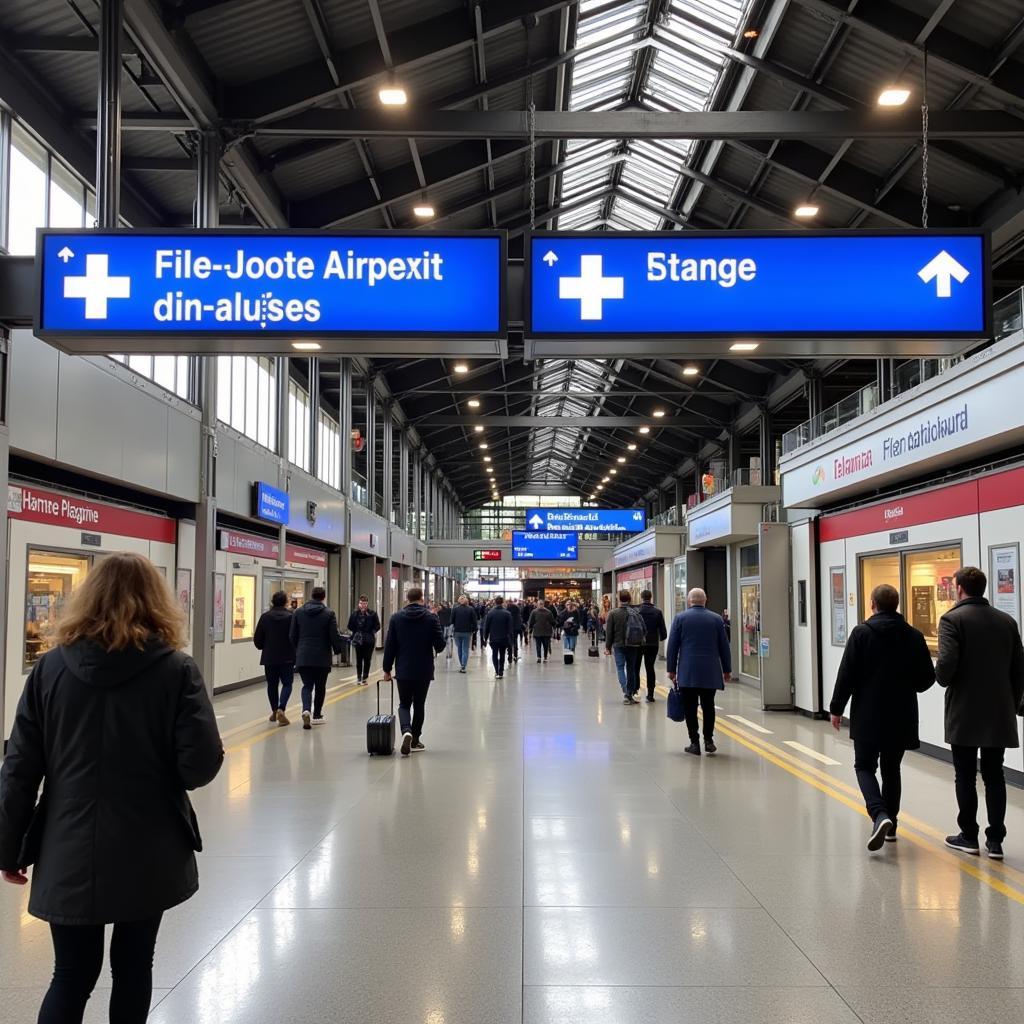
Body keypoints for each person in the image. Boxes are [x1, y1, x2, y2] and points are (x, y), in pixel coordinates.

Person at [0, 552, 223, 1024]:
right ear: (155, 601)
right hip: (150, 844)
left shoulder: (49, 670)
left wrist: (8, 848)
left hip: (68, 843)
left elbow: (19, 767)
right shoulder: (176, 670)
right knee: (133, 967)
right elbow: (198, 767)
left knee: (71, 974)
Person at [829, 583, 936, 850]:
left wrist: (836, 708)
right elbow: (926, 680)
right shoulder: (913, 636)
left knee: (864, 766)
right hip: (902, 715)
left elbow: (847, 675)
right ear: (896, 605)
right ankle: (891, 827)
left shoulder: (861, 633)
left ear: (872, 605)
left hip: (868, 713)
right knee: (892, 769)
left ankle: (879, 815)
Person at [935, 566, 1024, 858]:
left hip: (964, 711)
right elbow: (1019, 669)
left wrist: (941, 676)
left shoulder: (952, 620)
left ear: (959, 588)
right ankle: (996, 840)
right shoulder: (1006, 622)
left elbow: (945, 669)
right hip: (999, 711)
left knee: (965, 775)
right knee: (994, 774)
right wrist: (1012, 701)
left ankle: (968, 835)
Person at [666, 588, 731, 753]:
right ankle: (708, 740)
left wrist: (671, 669)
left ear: (689, 601)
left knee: (690, 707)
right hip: (710, 671)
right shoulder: (716, 619)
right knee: (709, 706)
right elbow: (724, 646)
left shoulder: (680, 618)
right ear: (705, 600)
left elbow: (673, 646)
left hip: (688, 671)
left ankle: (694, 743)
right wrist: (727, 670)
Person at [382, 588, 446, 756]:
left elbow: (390, 646)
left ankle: (406, 731)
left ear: (407, 599)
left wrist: (387, 669)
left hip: (403, 668)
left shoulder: (396, 618)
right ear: (422, 599)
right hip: (423, 669)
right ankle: (416, 740)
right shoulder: (431, 618)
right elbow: (440, 645)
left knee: (404, 704)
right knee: (419, 704)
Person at [290, 586, 345, 730]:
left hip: (304, 655)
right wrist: (338, 650)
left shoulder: (298, 612)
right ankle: (317, 715)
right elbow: (334, 635)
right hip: (322, 657)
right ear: (323, 597)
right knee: (320, 687)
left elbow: (292, 635)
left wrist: (298, 649)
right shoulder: (329, 613)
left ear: (311, 596)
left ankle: (306, 710)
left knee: (307, 685)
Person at [254, 590, 296, 725]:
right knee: (287, 683)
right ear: (285, 602)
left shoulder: (265, 617)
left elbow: (258, 638)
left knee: (272, 685)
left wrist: (263, 647)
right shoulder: (291, 616)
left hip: (269, 657)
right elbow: (295, 636)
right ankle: (281, 708)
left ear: (272, 602)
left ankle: (273, 711)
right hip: (287, 657)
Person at [605, 590, 647, 704]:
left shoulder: (613, 613)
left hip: (618, 645)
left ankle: (625, 690)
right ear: (630, 599)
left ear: (619, 599)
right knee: (631, 669)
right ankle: (629, 694)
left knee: (620, 668)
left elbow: (609, 632)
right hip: (633, 645)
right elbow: (644, 629)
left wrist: (607, 647)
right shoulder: (635, 612)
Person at [637, 590, 668, 703]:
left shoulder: (637, 611)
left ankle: (635, 691)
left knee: (636, 667)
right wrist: (660, 638)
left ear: (641, 597)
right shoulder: (657, 612)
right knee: (650, 668)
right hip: (652, 643)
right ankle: (650, 694)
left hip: (639, 643)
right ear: (651, 597)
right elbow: (663, 632)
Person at [347, 595, 381, 685]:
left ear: (367, 604)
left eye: (365, 603)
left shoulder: (372, 614)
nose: (363, 605)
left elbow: (378, 625)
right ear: (359, 604)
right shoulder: (354, 614)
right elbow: (349, 625)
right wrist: (356, 631)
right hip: (358, 640)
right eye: (361, 603)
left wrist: (372, 631)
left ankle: (365, 677)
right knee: (359, 659)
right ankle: (358, 677)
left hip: (369, 640)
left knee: (367, 659)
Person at [483, 595, 514, 679]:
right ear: (502, 602)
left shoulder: (490, 613)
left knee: (494, 654)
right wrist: (511, 639)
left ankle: (496, 670)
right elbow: (510, 628)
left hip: (494, 638)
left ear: (495, 602)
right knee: (502, 654)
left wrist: (485, 638)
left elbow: (487, 627)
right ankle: (501, 671)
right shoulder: (507, 613)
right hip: (504, 637)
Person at [451, 595, 477, 673]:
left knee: (459, 648)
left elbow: (451, 621)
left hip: (457, 631)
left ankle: (461, 664)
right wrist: (474, 629)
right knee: (465, 649)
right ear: (466, 601)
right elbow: (474, 621)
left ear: (459, 601)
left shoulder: (455, 609)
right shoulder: (471, 609)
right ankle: (463, 665)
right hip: (467, 632)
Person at [508, 599, 524, 663]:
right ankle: (515, 656)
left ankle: (509, 657)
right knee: (515, 642)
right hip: (516, 629)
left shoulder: (508, 613)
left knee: (509, 642)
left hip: (509, 629)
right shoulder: (518, 614)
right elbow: (520, 622)